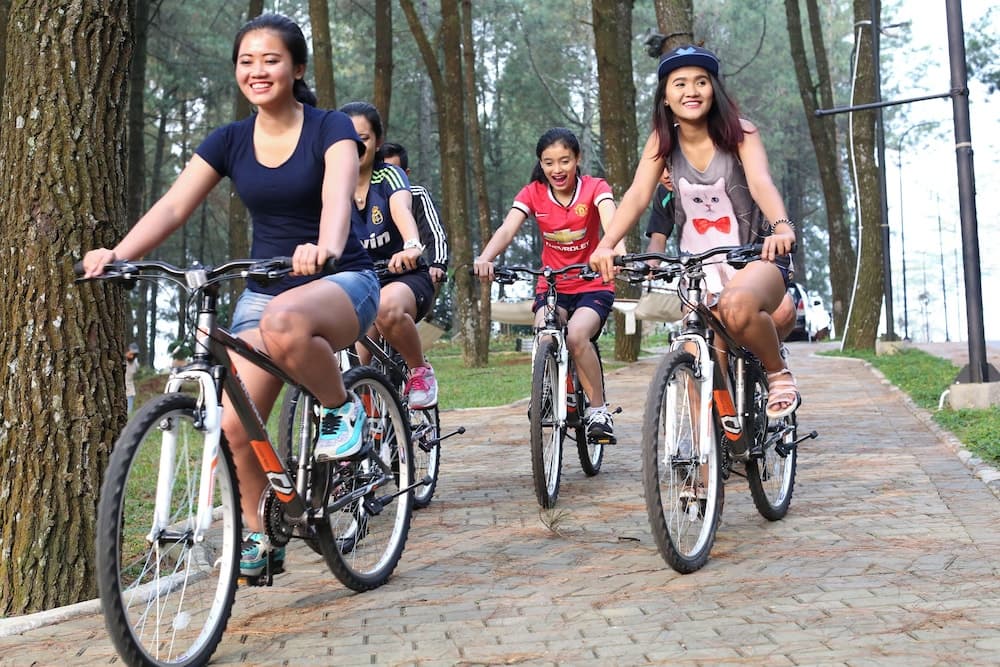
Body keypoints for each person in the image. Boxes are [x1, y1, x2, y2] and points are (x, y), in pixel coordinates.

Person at [83, 13, 380, 579]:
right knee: (234, 426)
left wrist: (324, 247)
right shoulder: (229, 140)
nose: (257, 71)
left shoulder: (332, 128)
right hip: (265, 292)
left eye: (271, 60)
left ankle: (343, 410)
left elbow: (337, 198)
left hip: (341, 281)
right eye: (247, 61)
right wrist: (117, 254)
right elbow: (174, 206)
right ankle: (259, 533)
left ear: (296, 68)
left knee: (285, 320)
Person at [589, 44, 800, 419]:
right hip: (699, 269)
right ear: (666, 97)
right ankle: (712, 450)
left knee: (736, 306)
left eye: (701, 82)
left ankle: (777, 373)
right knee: (697, 360)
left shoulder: (741, 132)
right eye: (680, 83)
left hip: (756, 257)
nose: (691, 90)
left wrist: (782, 226)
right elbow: (637, 195)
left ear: (713, 90)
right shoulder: (662, 143)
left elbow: (761, 182)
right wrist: (606, 244)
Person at [473, 127, 625, 444]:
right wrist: (486, 256)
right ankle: (549, 389)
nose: (557, 169)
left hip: (591, 284)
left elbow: (612, 222)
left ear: (577, 159)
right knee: (545, 332)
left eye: (565, 161)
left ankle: (598, 410)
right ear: (540, 163)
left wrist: (615, 252)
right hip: (552, 286)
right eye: (549, 162)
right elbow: (507, 230)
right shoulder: (533, 193)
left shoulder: (595, 188)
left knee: (577, 335)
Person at [339, 102, 438, 409]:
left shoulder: (389, 176)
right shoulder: (332, 183)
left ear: (378, 141)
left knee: (386, 309)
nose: (356, 147)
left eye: (364, 139)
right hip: (359, 282)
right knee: (353, 366)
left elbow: (401, 208)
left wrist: (411, 245)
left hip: (404, 278)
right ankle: (367, 424)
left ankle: (419, 371)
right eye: (348, 139)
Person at [379, 141, 450, 288]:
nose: (387, 177)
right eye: (381, 171)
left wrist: (437, 264)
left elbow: (434, 232)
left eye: (393, 172)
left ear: (405, 174)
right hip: (366, 274)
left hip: (406, 273)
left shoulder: (417, 195)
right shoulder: (357, 198)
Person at [124, 343, 139, 414]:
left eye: (134, 354)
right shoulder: (122, 360)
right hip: (120, 390)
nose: (132, 356)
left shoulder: (135, 364)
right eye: (131, 353)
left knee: (128, 412)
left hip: (129, 391)